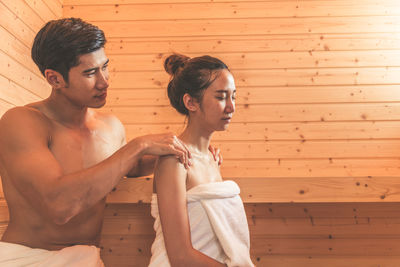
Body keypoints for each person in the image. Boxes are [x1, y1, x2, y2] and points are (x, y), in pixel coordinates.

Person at [0, 18, 223, 266]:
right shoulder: (22, 122)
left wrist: (193, 150)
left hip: (86, 258)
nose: (104, 81)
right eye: (90, 72)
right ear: (54, 79)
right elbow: (60, 205)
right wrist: (138, 146)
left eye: (104, 67)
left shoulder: (110, 127)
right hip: (28, 258)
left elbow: (130, 165)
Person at [149, 54, 254, 267]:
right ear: (191, 102)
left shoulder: (212, 159)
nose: (231, 107)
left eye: (233, 96)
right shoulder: (174, 161)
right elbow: (180, 256)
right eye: (221, 96)